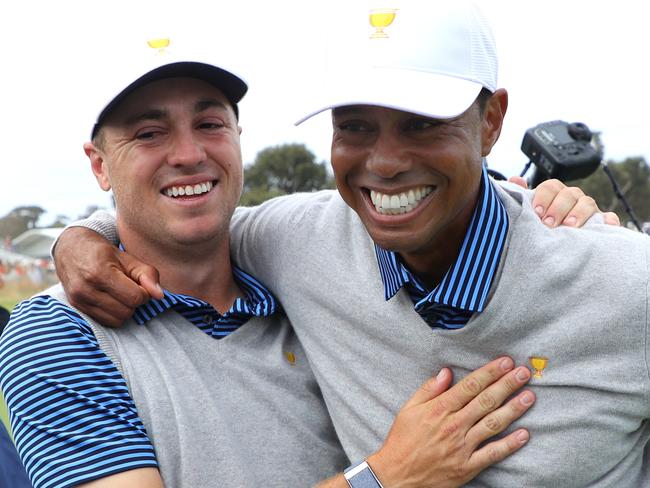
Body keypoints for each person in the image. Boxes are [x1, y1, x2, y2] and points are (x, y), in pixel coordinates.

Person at [49, 3, 638, 487]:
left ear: (491, 121)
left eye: (422, 122)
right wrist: (79, 241)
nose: (383, 162)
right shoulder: (300, 242)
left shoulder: (626, 286)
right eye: (354, 126)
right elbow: (177, 223)